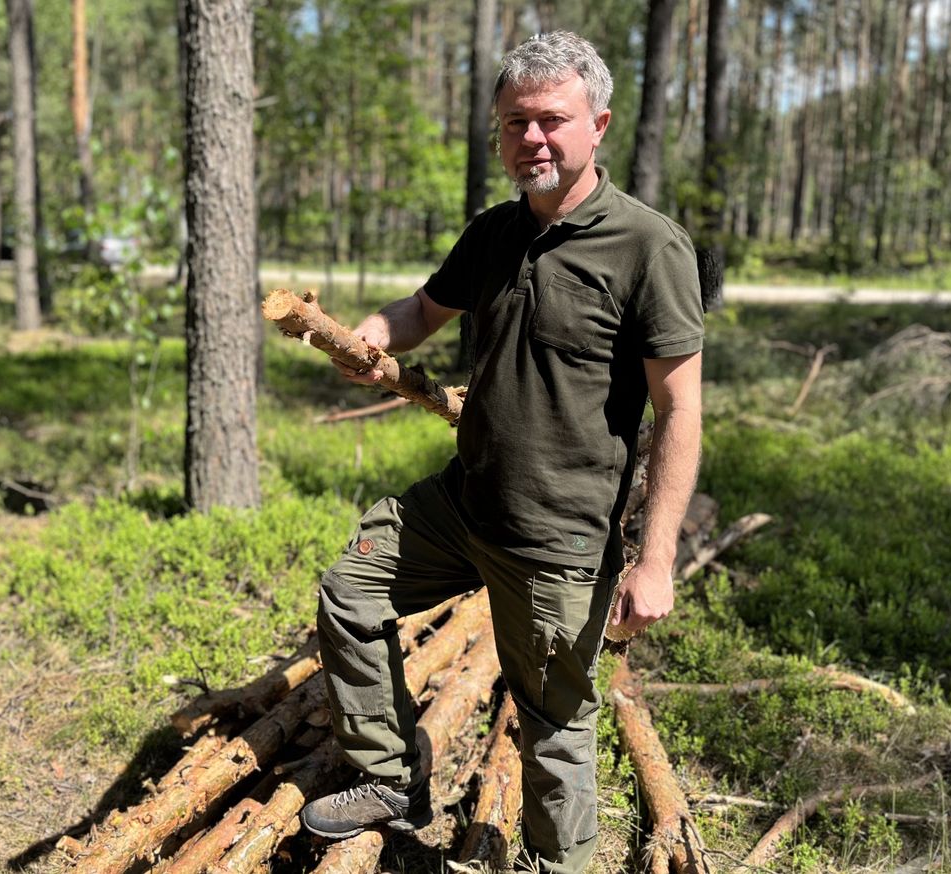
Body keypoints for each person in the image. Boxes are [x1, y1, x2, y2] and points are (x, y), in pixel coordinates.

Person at [299, 31, 704, 874]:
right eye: (515, 122)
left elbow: (680, 412)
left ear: (598, 124)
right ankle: (391, 778)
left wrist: (656, 559)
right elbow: (422, 310)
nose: (533, 139)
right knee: (350, 591)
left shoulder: (647, 247)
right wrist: (369, 336)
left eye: (551, 120)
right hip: (462, 503)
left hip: (558, 538)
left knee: (553, 724)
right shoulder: (494, 233)